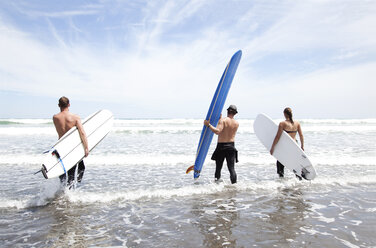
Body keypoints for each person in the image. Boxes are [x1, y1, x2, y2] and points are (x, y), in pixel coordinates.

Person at [53, 96, 89, 185]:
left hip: (60, 147)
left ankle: (61, 191)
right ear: (69, 104)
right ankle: (69, 195)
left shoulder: (55, 117)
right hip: (72, 147)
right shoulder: (75, 117)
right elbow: (82, 133)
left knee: (62, 170)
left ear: (58, 105)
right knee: (72, 174)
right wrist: (86, 147)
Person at [204, 105, 239, 184]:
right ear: (235, 113)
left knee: (218, 167)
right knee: (231, 169)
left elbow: (218, 131)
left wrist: (208, 125)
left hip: (221, 147)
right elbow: (227, 129)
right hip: (231, 147)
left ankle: (217, 185)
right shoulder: (236, 123)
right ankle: (234, 185)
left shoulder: (223, 121)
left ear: (227, 111)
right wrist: (220, 119)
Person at [270, 107, 304, 178]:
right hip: (295, 145)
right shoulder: (297, 123)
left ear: (285, 114)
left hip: (285, 146)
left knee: (280, 162)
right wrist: (302, 146)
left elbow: (278, 137)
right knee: (295, 162)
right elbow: (301, 135)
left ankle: (281, 179)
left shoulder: (282, 123)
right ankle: (299, 179)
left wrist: (272, 147)